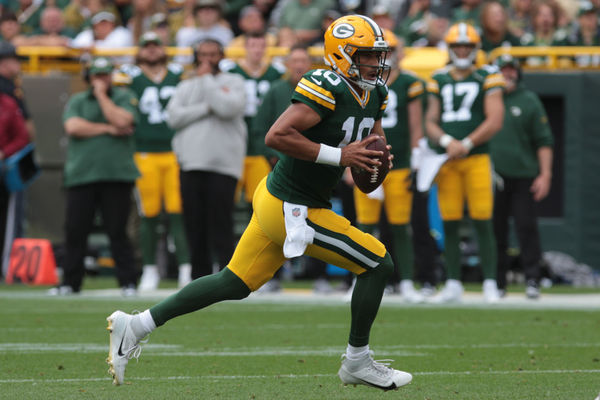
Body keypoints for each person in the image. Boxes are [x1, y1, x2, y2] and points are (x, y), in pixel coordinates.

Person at [106, 14, 413, 391]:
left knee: (233, 282)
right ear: (342, 54)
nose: (376, 63)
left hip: (285, 198)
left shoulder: (376, 93)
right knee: (378, 263)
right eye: (367, 55)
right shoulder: (325, 83)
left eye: (377, 56)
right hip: (292, 205)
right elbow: (277, 135)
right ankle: (357, 362)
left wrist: (374, 164)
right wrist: (340, 157)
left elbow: (365, 156)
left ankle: (135, 325)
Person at [425, 22, 505, 303]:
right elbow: (430, 120)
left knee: (483, 219)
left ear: (475, 48)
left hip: (477, 157)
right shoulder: (439, 78)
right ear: (449, 48)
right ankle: (453, 282)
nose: (461, 50)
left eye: (466, 46)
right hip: (448, 159)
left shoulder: (488, 75)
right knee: (450, 221)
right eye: (457, 46)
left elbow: (495, 119)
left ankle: (491, 282)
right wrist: (447, 142)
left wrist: (467, 143)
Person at [51, 57, 140, 296]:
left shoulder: (123, 96)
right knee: (75, 230)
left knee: (118, 231)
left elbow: (123, 119)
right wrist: (109, 129)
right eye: (96, 75)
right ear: (88, 77)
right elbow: (73, 127)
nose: (101, 79)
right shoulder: (78, 100)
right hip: (82, 174)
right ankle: (70, 282)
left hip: (117, 174)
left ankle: (128, 282)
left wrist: (102, 97)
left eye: (105, 74)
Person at [352, 31, 425, 303]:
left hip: (401, 161)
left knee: (400, 225)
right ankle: (356, 280)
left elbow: (416, 124)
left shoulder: (408, 83)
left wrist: (417, 156)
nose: (385, 56)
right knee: (364, 226)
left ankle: (406, 282)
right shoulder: (361, 82)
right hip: (366, 160)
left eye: (391, 50)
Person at [166, 39, 246, 279]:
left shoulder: (235, 82)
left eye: (213, 54)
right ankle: (197, 278)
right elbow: (173, 117)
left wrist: (207, 82)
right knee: (194, 225)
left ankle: (227, 276)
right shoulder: (185, 86)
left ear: (221, 56)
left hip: (223, 165)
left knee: (221, 223)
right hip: (191, 163)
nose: (208, 60)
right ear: (195, 57)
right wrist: (206, 108)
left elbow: (228, 108)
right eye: (203, 55)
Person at [117, 31, 192, 291]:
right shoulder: (129, 75)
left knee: (178, 212)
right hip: (144, 152)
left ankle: (185, 268)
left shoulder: (178, 74)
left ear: (163, 49)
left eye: (155, 46)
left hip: (175, 152)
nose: (151, 50)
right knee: (148, 214)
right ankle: (149, 269)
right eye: (146, 46)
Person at [490, 55, 553, 299]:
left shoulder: (529, 100)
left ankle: (533, 279)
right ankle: (497, 282)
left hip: (524, 174)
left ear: (518, 72)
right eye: (502, 70)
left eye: (510, 70)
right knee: (496, 230)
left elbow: (544, 140)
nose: (507, 74)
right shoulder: (490, 99)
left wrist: (545, 174)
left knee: (526, 227)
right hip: (493, 175)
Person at [221, 31, 285, 207]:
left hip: (261, 143)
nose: (257, 50)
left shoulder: (275, 72)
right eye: (253, 46)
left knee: (258, 200)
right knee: (226, 199)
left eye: (261, 46)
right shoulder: (231, 71)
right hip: (235, 142)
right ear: (245, 47)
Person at [0, 92, 30, 279]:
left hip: (2, 172)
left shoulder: (7, 104)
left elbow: (22, 137)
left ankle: (6, 269)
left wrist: (3, 153)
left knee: (7, 222)